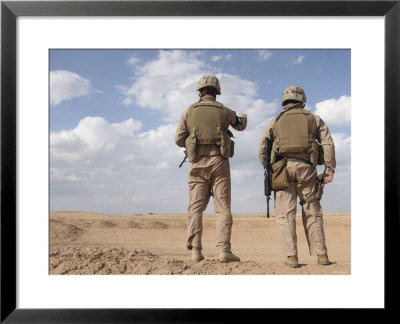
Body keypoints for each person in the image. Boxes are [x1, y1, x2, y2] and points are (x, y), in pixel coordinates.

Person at [258, 86, 336, 268]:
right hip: (307, 169)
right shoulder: (314, 119)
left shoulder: (275, 119)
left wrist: (268, 169)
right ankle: (322, 255)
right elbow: (328, 143)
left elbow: (262, 147)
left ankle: (292, 257)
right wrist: (329, 170)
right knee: (312, 211)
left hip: (281, 169)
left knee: (285, 215)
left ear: (284, 101)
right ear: (302, 100)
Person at [175, 74, 247, 262]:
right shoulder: (224, 110)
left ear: (200, 91)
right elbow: (240, 126)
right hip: (219, 162)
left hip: (197, 163)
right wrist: (243, 117)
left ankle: (196, 251)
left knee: (195, 208)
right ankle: (224, 251)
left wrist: (192, 143)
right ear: (217, 92)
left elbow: (178, 139)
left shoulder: (189, 111)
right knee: (223, 207)